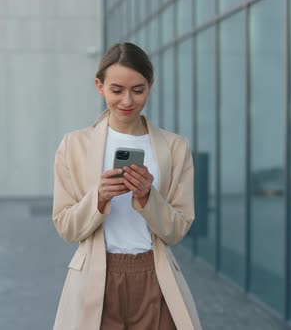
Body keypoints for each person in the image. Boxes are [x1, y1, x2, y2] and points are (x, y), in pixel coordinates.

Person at [52, 42, 202, 330]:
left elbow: (177, 230)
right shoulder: (74, 145)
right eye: (117, 90)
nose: (127, 101)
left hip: (155, 277)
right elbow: (66, 227)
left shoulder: (175, 147)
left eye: (138, 90)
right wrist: (98, 197)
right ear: (100, 86)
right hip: (96, 276)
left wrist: (148, 197)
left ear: (150, 85)